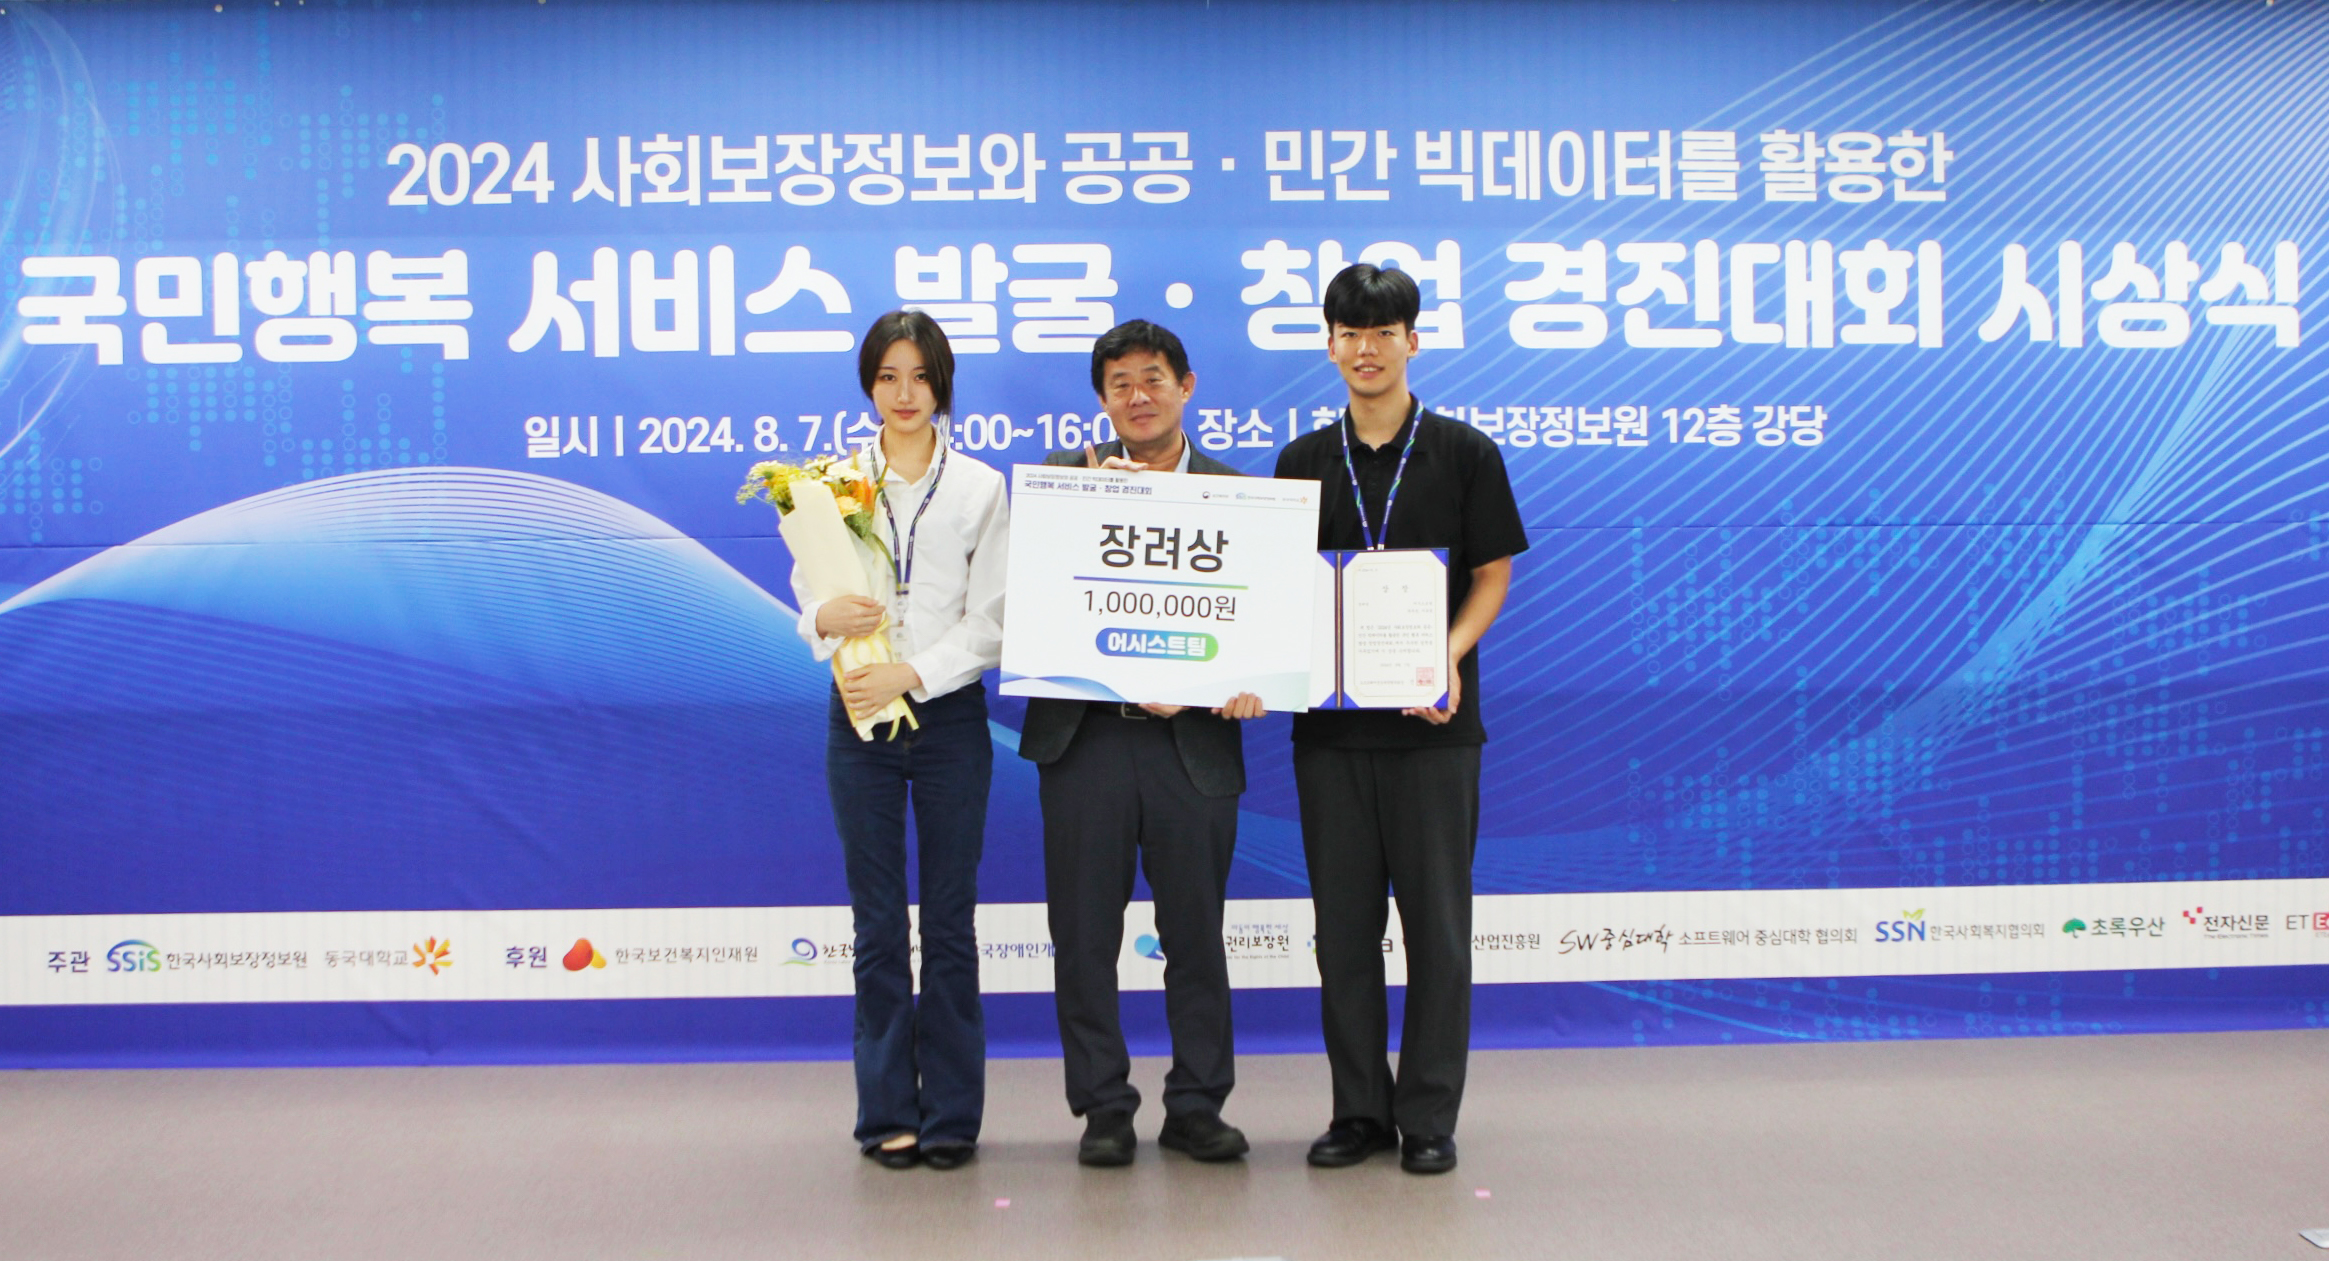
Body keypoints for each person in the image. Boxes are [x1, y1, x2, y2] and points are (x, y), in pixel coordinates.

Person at [1270, 266, 1528, 1176]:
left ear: (1412, 341)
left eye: (1383, 331)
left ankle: (1426, 1114)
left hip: (1433, 731)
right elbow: (1276, 591)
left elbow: (1491, 573)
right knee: (1341, 935)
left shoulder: (1464, 452)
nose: (1366, 348)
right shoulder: (1301, 461)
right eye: (1350, 331)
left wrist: (1446, 654)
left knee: (1436, 932)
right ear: (1330, 344)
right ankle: (1358, 1111)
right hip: (1330, 737)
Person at [1018, 320, 1266, 1167]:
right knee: (1083, 935)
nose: (1137, 396)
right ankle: (1102, 1106)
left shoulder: (1239, 498)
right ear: (1102, 399)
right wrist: (1088, 506)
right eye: (1119, 383)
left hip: (1191, 746)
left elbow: (1261, 627)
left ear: (1185, 387)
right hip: (1084, 740)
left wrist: (1248, 680)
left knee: (1195, 934)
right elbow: (1031, 597)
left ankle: (1197, 1103)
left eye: (1152, 379)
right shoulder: (1064, 481)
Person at [792, 309, 1009, 1171]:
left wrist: (911, 674)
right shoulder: (832, 483)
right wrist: (825, 618)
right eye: (888, 376)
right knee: (877, 922)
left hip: (948, 720)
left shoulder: (980, 488)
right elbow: (809, 594)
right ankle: (886, 1109)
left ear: (941, 384)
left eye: (919, 376)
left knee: (949, 920)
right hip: (857, 717)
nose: (904, 393)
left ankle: (952, 1112)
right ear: (869, 386)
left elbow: (992, 621)